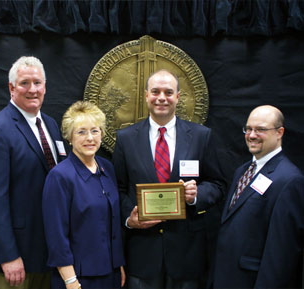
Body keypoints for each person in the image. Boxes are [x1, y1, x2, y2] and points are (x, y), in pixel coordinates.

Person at [112, 69, 226, 289]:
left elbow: (218, 184)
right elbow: (118, 187)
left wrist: (196, 196)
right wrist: (129, 218)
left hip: (187, 254)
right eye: (155, 91)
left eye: (168, 92)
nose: (161, 97)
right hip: (142, 253)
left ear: (178, 97)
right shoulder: (125, 139)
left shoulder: (201, 136)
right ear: (146, 95)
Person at [0, 56, 66, 289]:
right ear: (11, 88)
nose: (32, 89)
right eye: (24, 83)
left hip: (49, 254)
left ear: (45, 86)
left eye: (37, 83)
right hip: (14, 261)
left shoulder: (51, 125)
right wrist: (7, 255)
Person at [212, 105, 303, 288]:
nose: (252, 135)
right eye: (249, 129)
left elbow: (282, 253)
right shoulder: (242, 171)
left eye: (260, 129)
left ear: (279, 132)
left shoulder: (289, 180)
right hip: (226, 277)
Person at [42, 101, 125, 289]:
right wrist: (71, 281)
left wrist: (118, 264)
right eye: (81, 132)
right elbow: (56, 236)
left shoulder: (107, 168)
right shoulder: (60, 176)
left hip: (110, 274)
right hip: (78, 278)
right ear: (69, 137)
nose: (90, 138)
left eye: (95, 131)